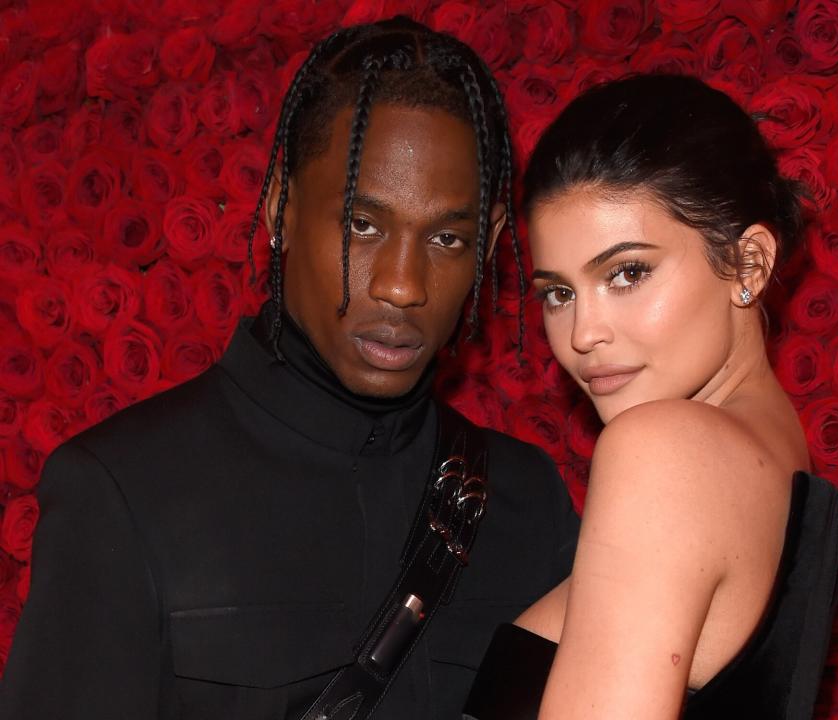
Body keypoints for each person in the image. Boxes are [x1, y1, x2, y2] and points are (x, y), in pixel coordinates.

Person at [0, 18, 580, 720]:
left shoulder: (525, 503)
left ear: (486, 246)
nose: (403, 284)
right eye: (363, 225)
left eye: (447, 238)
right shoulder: (125, 496)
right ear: (280, 204)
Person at [462, 74, 838, 719]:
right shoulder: (778, 461)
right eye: (559, 293)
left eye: (628, 273)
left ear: (749, 264)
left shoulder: (664, 451)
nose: (584, 334)